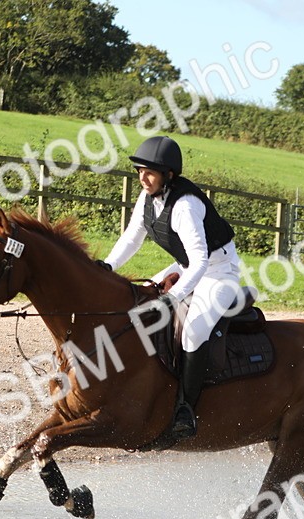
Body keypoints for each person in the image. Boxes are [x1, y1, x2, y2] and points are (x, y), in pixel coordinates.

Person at [99, 135, 244, 443]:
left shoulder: (186, 205)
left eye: (149, 172)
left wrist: (175, 297)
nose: (142, 177)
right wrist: (107, 266)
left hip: (219, 272)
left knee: (193, 332)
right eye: (139, 170)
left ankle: (185, 412)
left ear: (169, 174)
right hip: (186, 266)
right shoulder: (147, 198)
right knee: (139, 304)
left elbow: (201, 259)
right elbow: (131, 238)